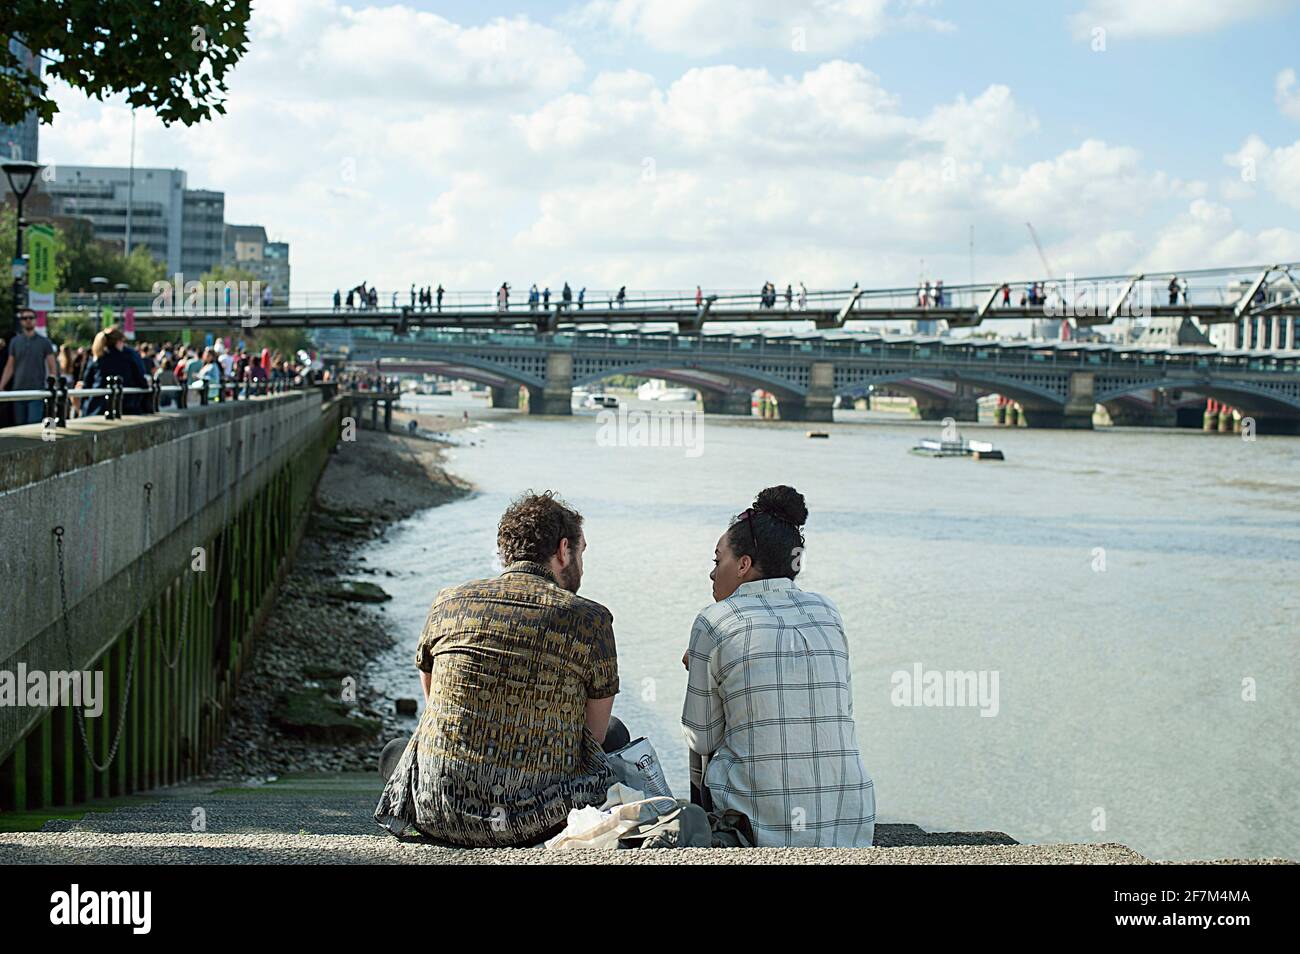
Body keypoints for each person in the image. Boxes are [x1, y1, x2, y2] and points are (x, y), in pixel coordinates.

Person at [374, 490, 625, 847]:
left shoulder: (449, 603)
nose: (582, 564)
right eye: (581, 553)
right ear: (563, 549)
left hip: (439, 812)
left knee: (396, 752)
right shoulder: (590, 620)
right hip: (538, 821)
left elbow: (435, 709)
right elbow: (595, 734)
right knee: (616, 734)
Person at [682, 485, 875, 847]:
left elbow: (701, 737)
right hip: (852, 821)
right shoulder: (827, 611)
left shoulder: (714, 620)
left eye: (716, 560)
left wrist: (700, 670)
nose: (711, 573)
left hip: (761, 828)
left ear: (743, 565)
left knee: (702, 744)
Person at [0, 308, 57, 426]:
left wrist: (52, 383)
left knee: (33, 424)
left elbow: (52, 366)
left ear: (35, 320)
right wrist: (1, 386)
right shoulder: (15, 342)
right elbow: (10, 366)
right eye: (24, 318)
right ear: (21, 321)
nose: (28, 320)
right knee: (19, 425)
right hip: (18, 390)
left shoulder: (44, 342)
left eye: (31, 318)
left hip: (37, 390)